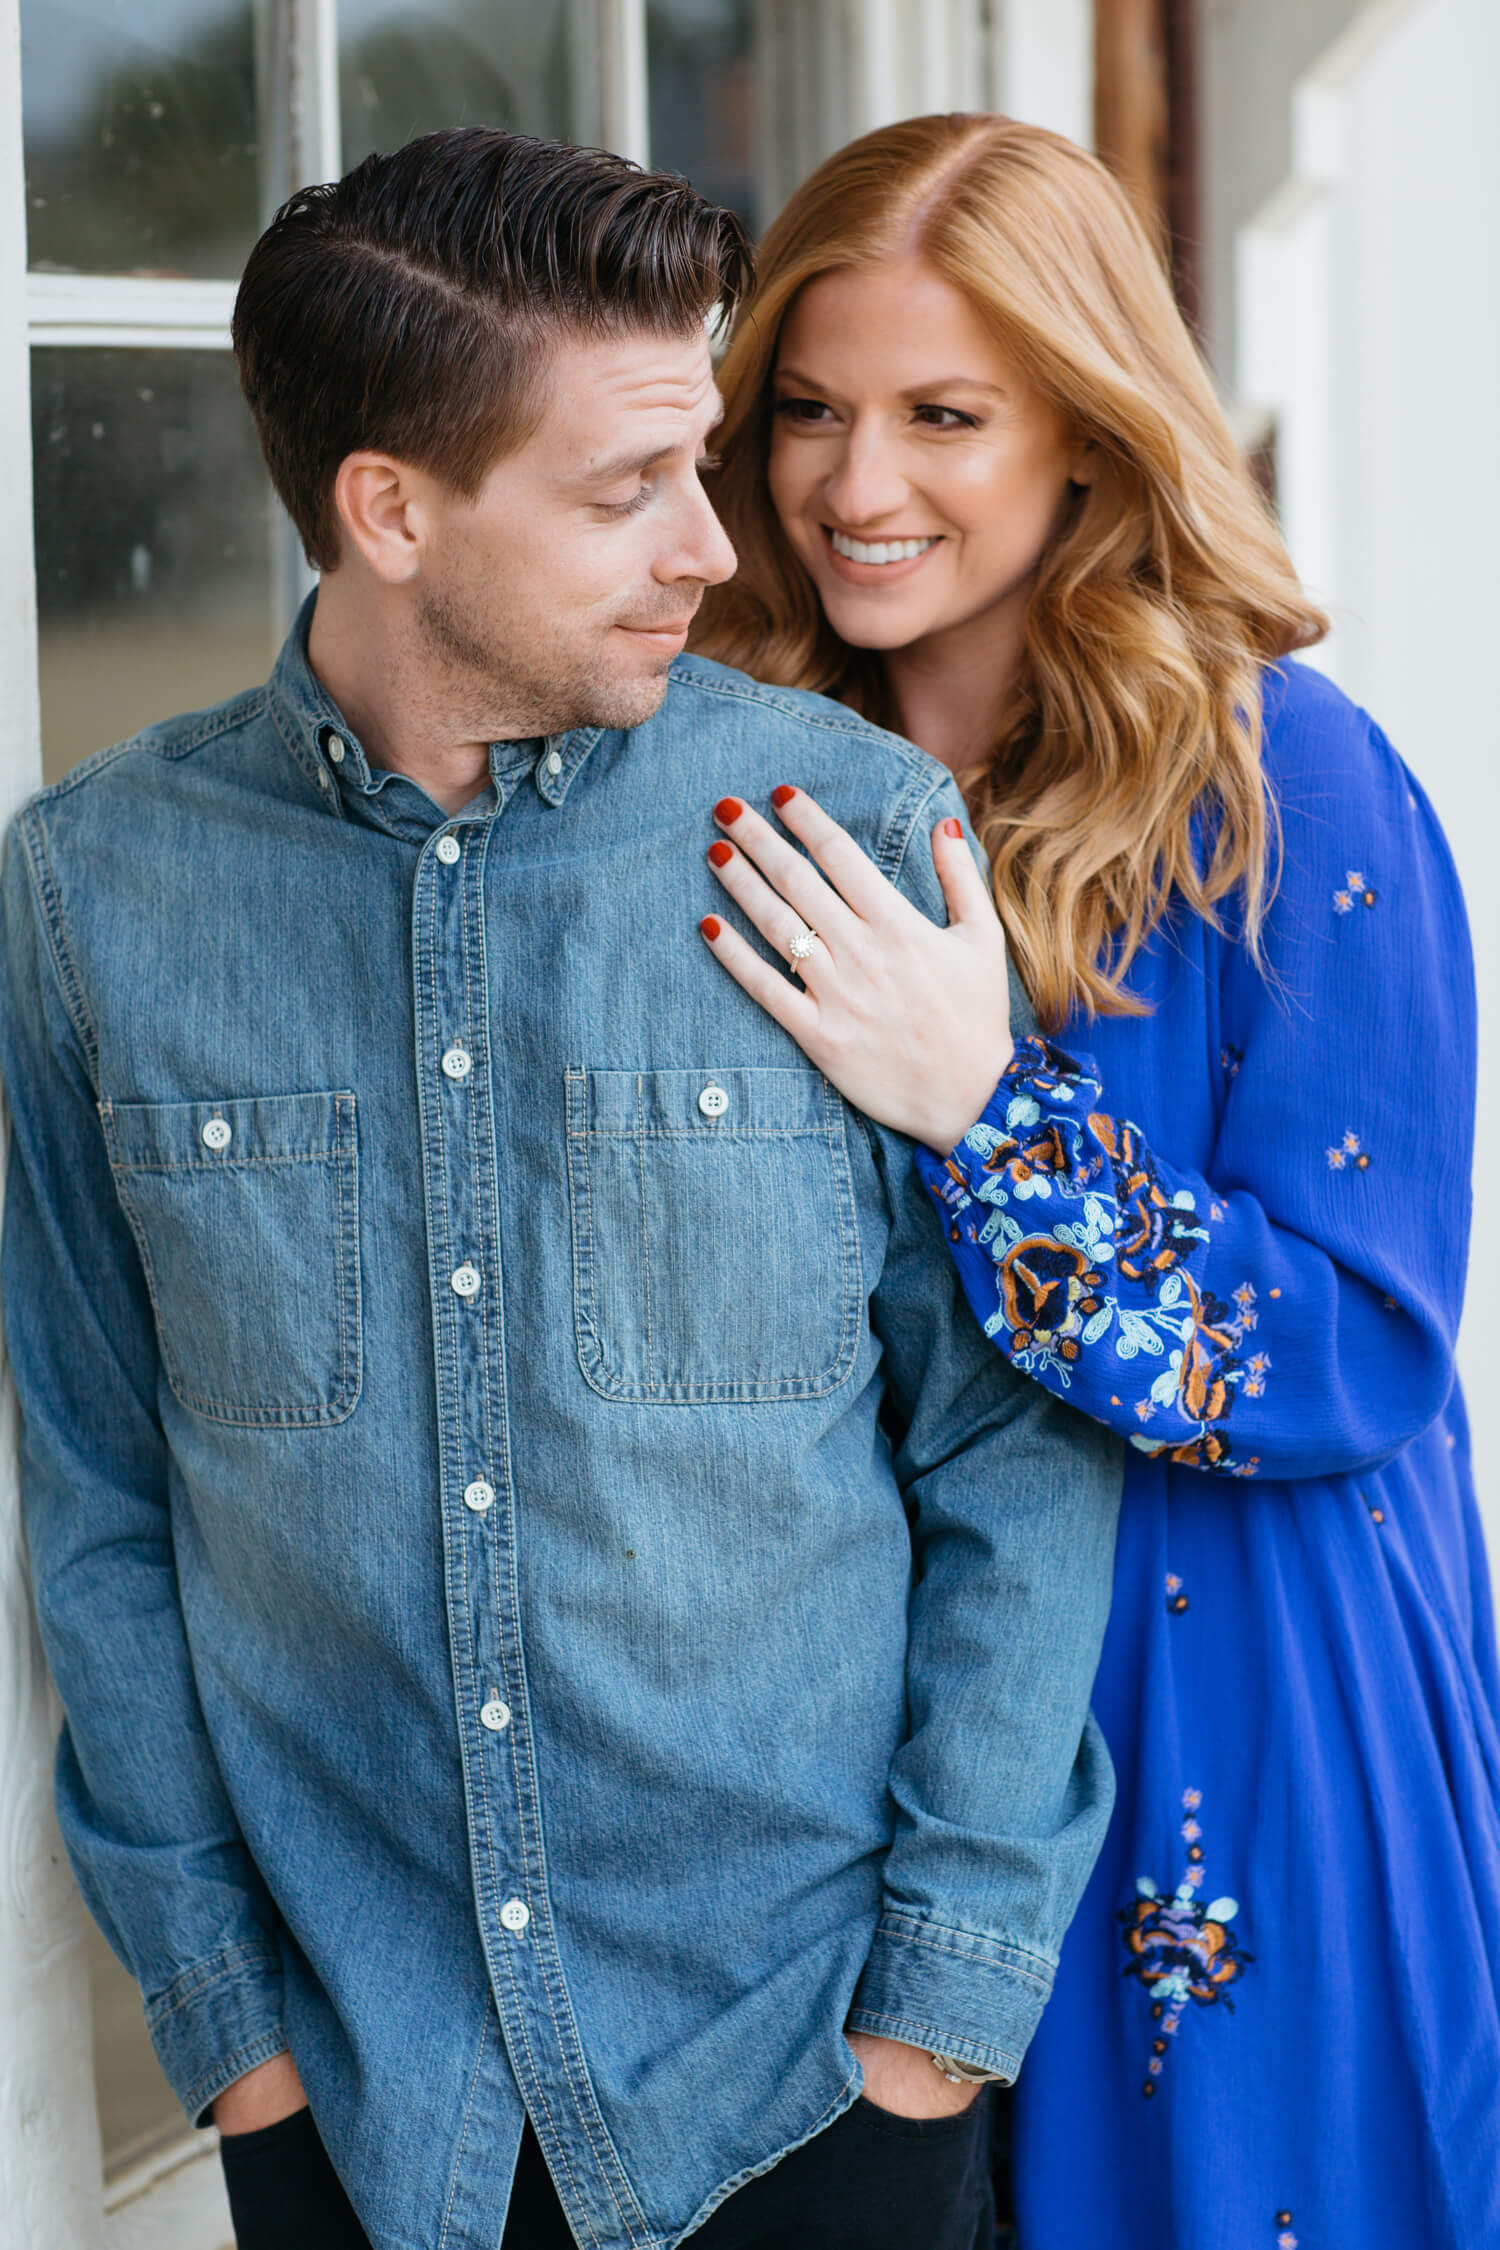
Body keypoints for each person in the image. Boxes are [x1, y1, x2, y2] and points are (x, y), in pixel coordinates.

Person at [0, 129, 1123, 2250]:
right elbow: (99, 1489)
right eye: (626, 491)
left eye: (700, 461)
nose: (713, 540)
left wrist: (936, 2028)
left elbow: (1010, 1446)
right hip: (360, 2114)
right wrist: (231, 2035)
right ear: (391, 509)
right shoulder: (94, 897)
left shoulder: (847, 834)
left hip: (807, 2095)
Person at [691, 112, 1500, 2249]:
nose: (856, 483)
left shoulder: (1284, 778)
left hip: (1218, 1698)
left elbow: (1354, 1344)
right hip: (846, 1734)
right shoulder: (734, 773)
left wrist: (992, 1111)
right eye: (809, 410)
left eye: (944, 416)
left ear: (1089, 434)